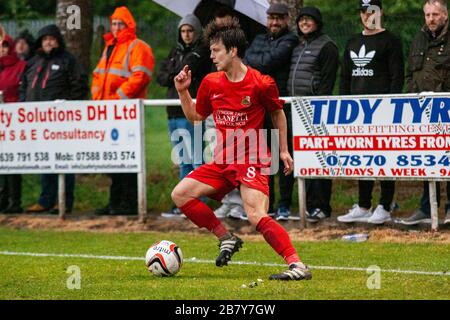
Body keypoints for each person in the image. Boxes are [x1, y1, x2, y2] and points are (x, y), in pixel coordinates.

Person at [171, 18, 312, 281]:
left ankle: (298, 265)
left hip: (253, 161)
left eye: (216, 51)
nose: (212, 56)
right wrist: (183, 92)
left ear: (233, 51)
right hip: (222, 161)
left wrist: (282, 150)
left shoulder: (261, 83)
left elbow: (278, 114)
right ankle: (225, 238)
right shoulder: (211, 83)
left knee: (255, 215)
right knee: (180, 194)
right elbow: (195, 117)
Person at [337, 0, 404, 224]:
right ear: (361, 15)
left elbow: (397, 77)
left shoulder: (391, 41)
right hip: (357, 112)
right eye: (365, 13)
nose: (368, 16)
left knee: (384, 157)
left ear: (380, 13)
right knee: (362, 157)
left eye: (373, 12)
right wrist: (344, 104)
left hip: (383, 109)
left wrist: (392, 105)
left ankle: (385, 204)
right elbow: (345, 77)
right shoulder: (353, 41)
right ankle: (364, 204)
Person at [92, 6, 154, 216]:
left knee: (128, 157)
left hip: (126, 113)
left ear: (129, 25)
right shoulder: (110, 47)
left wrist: (117, 98)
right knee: (114, 159)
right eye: (114, 23)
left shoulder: (138, 47)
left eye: (121, 24)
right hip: (108, 112)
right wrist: (98, 101)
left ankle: (129, 203)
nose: (116, 27)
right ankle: (115, 202)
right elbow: (99, 76)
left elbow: (140, 76)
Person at [22, 24, 89, 214]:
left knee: (64, 159)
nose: (48, 42)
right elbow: (24, 85)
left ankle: (64, 201)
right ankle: (46, 200)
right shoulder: (33, 61)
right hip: (36, 121)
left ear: (58, 41)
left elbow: (80, 84)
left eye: (52, 38)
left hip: (62, 122)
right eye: (45, 39)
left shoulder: (68, 60)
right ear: (40, 42)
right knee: (45, 160)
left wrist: (68, 107)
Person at [243, 3, 299, 220]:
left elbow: (267, 62)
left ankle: (285, 204)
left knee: (283, 155)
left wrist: (259, 62)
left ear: (286, 19)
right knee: (264, 159)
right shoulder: (258, 38)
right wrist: (260, 62)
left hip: (278, 106)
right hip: (257, 106)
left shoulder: (290, 39)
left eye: (279, 18)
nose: (274, 22)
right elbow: (248, 62)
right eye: (271, 18)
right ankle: (269, 203)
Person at [399, 0, 450, 226]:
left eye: (436, 14)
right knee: (426, 159)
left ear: (445, 16)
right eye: (428, 15)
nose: (431, 19)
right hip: (421, 111)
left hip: (445, 109)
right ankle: (426, 207)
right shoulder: (419, 37)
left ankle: (449, 208)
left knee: (447, 159)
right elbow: (411, 71)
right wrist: (412, 93)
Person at [287, 6, 339, 223]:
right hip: (295, 109)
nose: (305, 23)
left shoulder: (327, 46)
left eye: (309, 19)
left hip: (315, 110)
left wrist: (319, 106)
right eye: (302, 20)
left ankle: (321, 206)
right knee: (302, 158)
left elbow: (327, 80)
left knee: (319, 158)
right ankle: (308, 205)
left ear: (317, 22)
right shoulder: (298, 46)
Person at [157, 14, 211, 218]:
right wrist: (173, 74)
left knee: (197, 160)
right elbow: (161, 77)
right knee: (184, 160)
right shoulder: (175, 51)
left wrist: (172, 73)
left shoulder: (202, 51)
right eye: (183, 31)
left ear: (196, 32)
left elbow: (184, 70)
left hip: (193, 111)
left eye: (190, 31)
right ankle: (184, 203)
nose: (186, 35)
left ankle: (199, 203)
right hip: (173, 112)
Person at [0, 32, 27, 214]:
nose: (2, 50)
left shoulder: (21, 66)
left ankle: (14, 200)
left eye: (5, 46)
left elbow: (22, 90)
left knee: (12, 162)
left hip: (14, 120)